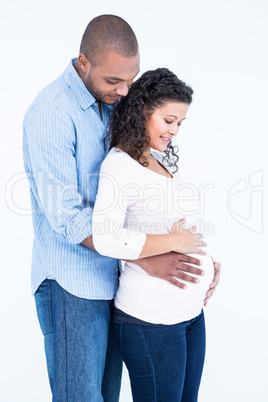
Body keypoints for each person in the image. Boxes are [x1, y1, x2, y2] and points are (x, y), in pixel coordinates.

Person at [23, 14, 220, 402]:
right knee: (80, 397)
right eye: (114, 81)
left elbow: (137, 199)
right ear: (83, 63)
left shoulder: (113, 102)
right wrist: (148, 254)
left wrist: (190, 253)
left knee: (108, 396)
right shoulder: (51, 113)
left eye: (130, 80)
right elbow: (68, 218)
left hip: (112, 280)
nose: (125, 90)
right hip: (71, 283)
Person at [92, 68, 217, 401]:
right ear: (144, 110)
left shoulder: (158, 160)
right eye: (169, 120)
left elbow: (168, 225)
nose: (174, 131)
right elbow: (105, 237)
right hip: (151, 321)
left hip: (188, 315)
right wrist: (177, 244)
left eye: (180, 123)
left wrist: (207, 264)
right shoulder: (118, 165)